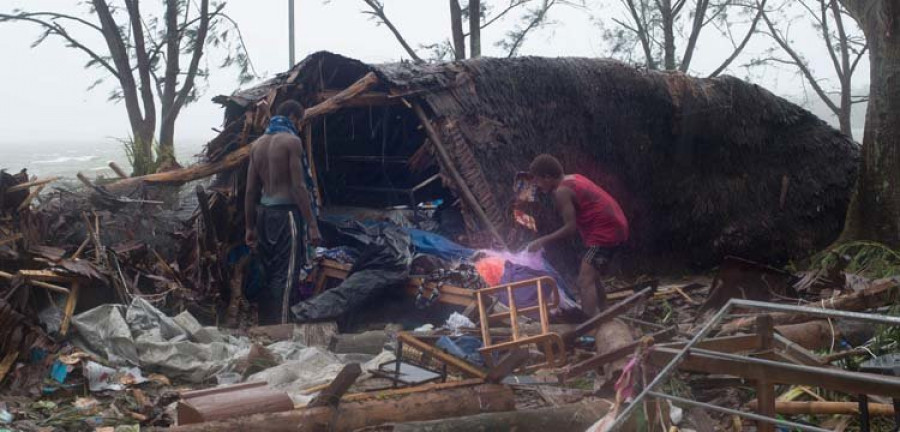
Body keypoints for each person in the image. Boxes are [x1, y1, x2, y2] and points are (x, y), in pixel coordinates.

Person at [245, 100, 322, 325]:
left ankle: (264, 326)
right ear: (294, 118)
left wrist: (250, 227)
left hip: (263, 214)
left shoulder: (257, 145)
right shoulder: (292, 142)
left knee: (268, 273)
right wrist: (313, 225)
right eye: (300, 122)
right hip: (286, 215)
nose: (300, 127)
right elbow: (299, 187)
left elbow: (250, 191)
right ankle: (280, 330)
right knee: (285, 274)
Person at [525, 154, 628, 316]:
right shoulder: (574, 178)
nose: (537, 185)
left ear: (547, 177)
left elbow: (570, 228)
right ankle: (605, 313)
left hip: (605, 232)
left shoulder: (561, 192)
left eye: (537, 180)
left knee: (584, 281)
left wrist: (542, 240)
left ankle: (587, 325)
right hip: (614, 225)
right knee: (591, 274)